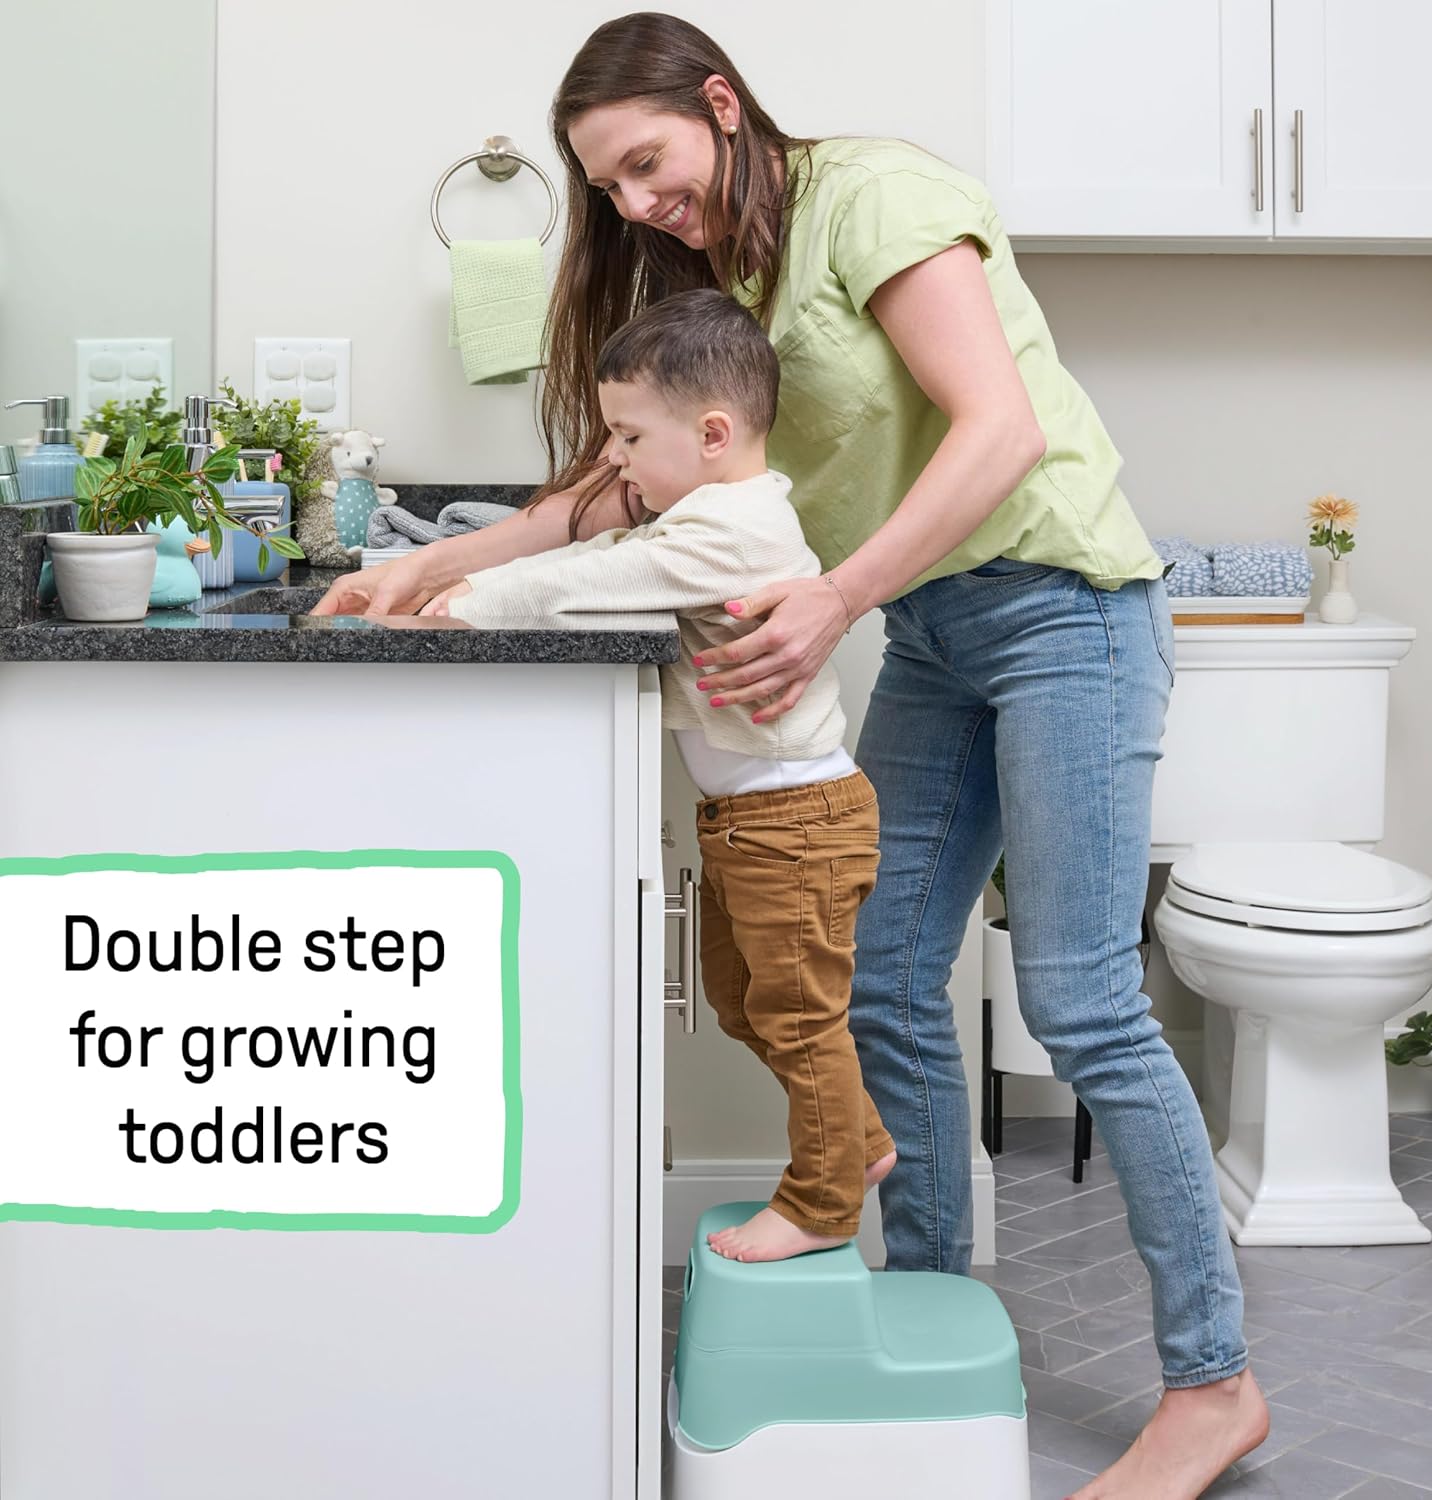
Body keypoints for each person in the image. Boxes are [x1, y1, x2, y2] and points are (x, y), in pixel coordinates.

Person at [314, 13, 1268, 1494]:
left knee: (1078, 1000)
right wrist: (429, 571)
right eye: (608, 190)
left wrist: (837, 595)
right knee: (883, 977)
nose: (634, 206)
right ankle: (928, 1298)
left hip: (1063, 604)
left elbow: (1000, 430)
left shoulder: (872, 196)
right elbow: (633, 482)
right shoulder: (725, 281)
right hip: (942, 625)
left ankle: (1212, 1382)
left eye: (646, 164)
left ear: (718, 103)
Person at [442, 287, 897, 1264]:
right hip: (755, 819)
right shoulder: (706, 517)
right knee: (745, 1001)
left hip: (795, 822)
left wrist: (454, 603)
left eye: (629, 436)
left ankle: (823, 1202)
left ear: (715, 433)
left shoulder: (727, 529)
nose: (614, 458)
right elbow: (615, 548)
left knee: (801, 1017)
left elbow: (581, 578)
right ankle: (857, 1143)